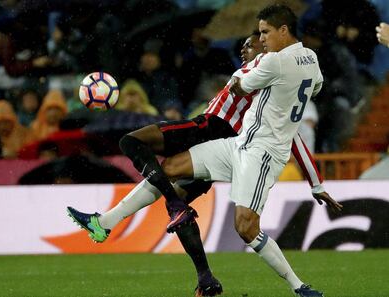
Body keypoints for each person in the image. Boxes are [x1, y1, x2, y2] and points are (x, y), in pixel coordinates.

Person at [67, 28, 340, 296]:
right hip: (224, 143)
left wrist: (315, 182)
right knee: (170, 183)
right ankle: (205, 277)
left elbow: (291, 133)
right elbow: (291, 130)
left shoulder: (267, 70)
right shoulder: (268, 73)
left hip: (209, 128)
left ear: (267, 47)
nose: (244, 48)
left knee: (131, 142)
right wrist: (315, 183)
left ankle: (120, 219)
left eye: (252, 43)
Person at [159, 4, 343, 296]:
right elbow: (316, 87)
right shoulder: (311, 59)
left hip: (262, 150)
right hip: (243, 143)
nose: (262, 39)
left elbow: (240, 88)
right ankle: (109, 219)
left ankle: (299, 287)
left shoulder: (274, 62)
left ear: (284, 30)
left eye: (265, 32)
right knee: (170, 167)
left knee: (245, 227)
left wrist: (238, 79)